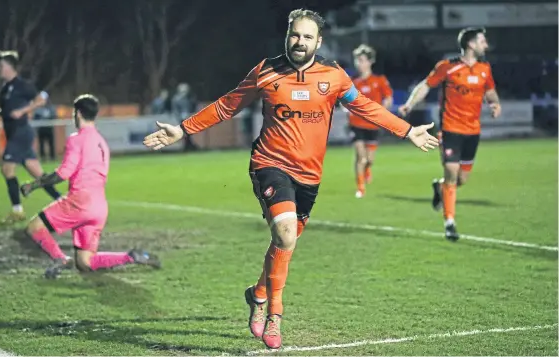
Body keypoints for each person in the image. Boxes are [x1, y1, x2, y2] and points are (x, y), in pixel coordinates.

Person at [143, 9, 438, 350]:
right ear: (287, 35)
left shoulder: (334, 76)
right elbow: (227, 105)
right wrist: (182, 129)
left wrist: (406, 130)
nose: (300, 42)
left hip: (309, 176)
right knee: (284, 234)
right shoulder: (266, 71)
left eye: (307, 36)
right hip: (269, 164)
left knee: (285, 243)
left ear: (319, 41)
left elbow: (364, 107)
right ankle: (275, 315)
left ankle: (257, 294)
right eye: (295, 35)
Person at [19, 94, 160, 278]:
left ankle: (60, 258)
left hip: (80, 202)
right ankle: (130, 257)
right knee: (85, 263)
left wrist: (34, 185)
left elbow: (64, 173)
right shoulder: (102, 142)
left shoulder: (77, 139)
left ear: (77, 113)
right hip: (99, 206)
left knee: (34, 227)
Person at [398, 27, 501, 241]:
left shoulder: (484, 68)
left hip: (473, 131)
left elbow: (490, 91)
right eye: (482, 41)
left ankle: (439, 186)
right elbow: (426, 85)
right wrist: (409, 104)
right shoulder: (447, 67)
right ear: (471, 44)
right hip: (450, 129)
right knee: (453, 174)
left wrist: (495, 104)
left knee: (461, 179)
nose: (486, 45)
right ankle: (450, 223)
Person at [0, 51, 61, 226]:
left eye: (1, 65)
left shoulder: (22, 85)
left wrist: (23, 110)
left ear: (10, 67)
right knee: (39, 175)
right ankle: (64, 202)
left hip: (21, 133)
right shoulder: (5, 89)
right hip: (14, 134)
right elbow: (8, 109)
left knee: (7, 169)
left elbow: (42, 98)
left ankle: (17, 211)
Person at [348, 44, 394, 198]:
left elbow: (388, 98)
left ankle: (368, 169)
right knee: (360, 157)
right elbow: (344, 98)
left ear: (370, 62)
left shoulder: (379, 80)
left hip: (373, 125)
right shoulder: (352, 81)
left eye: (362, 60)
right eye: (357, 60)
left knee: (369, 159)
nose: (359, 64)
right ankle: (360, 188)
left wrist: (383, 110)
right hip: (356, 124)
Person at [171, 83, 198, 151]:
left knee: (188, 133)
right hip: (181, 119)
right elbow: (175, 110)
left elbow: (192, 107)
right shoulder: (176, 99)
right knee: (186, 133)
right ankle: (188, 146)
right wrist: (179, 117)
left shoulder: (189, 98)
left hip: (188, 118)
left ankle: (188, 145)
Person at [33, 91, 57, 161]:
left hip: (49, 128)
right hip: (41, 128)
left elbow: (54, 116)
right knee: (41, 144)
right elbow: (35, 118)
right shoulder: (37, 108)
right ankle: (43, 157)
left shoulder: (51, 107)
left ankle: (52, 157)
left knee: (51, 143)